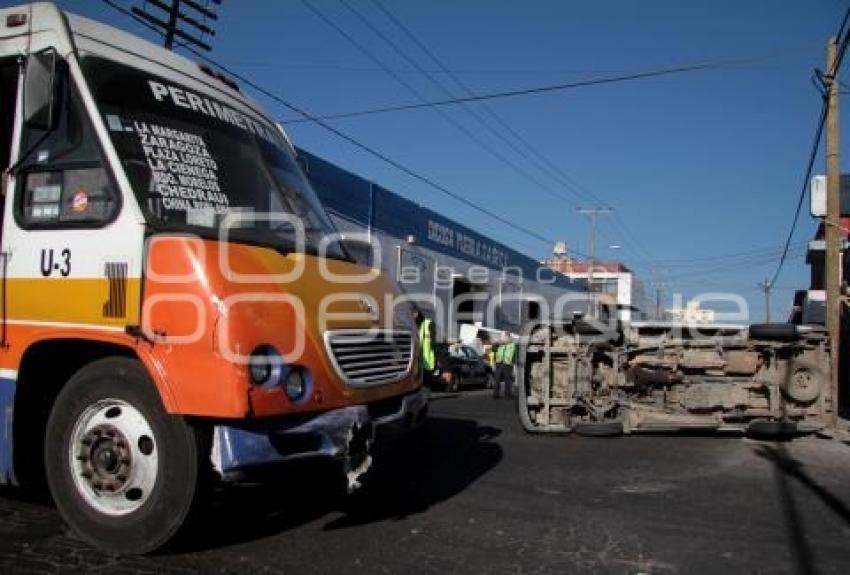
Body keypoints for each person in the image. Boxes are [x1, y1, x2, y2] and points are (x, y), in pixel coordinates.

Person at [414, 308, 437, 387]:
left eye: (415, 313)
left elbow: (436, 344)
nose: (414, 315)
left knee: (426, 385)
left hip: (427, 363)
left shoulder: (429, 324)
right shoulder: (415, 325)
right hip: (418, 361)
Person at [493, 334, 517, 399]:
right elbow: (494, 350)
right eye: (503, 337)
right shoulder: (500, 344)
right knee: (497, 380)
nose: (503, 338)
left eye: (504, 337)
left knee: (507, 380)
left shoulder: (513, 345)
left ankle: (508, 395)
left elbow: (515, 354)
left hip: (508, 364)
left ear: (509, 337)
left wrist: (514, 364)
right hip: (499, 363)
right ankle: (496, 395)